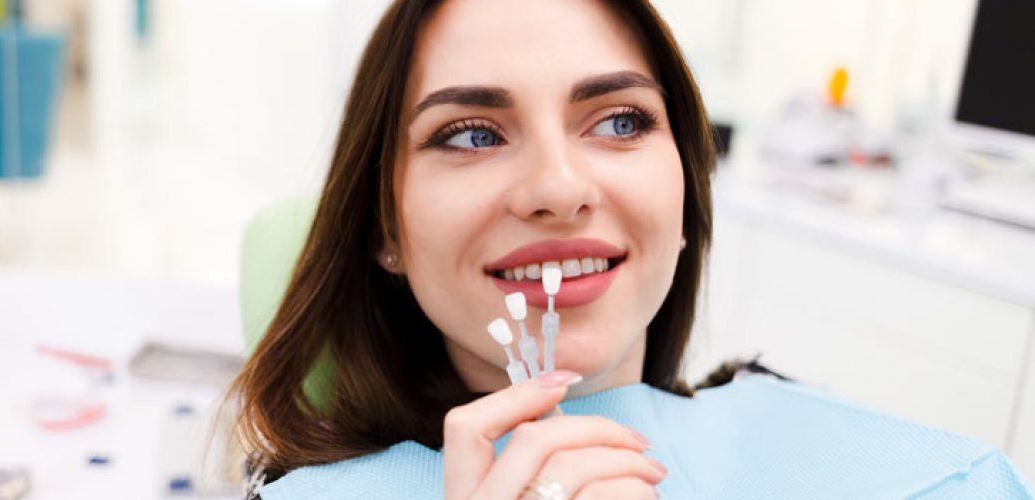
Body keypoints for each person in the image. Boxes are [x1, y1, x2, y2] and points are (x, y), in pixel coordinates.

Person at [229, 0, 1034, 498]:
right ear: (384, 229)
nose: (558, 186)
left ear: (685, 190)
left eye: (620, 121)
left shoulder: (938, 477)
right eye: (471, 133)